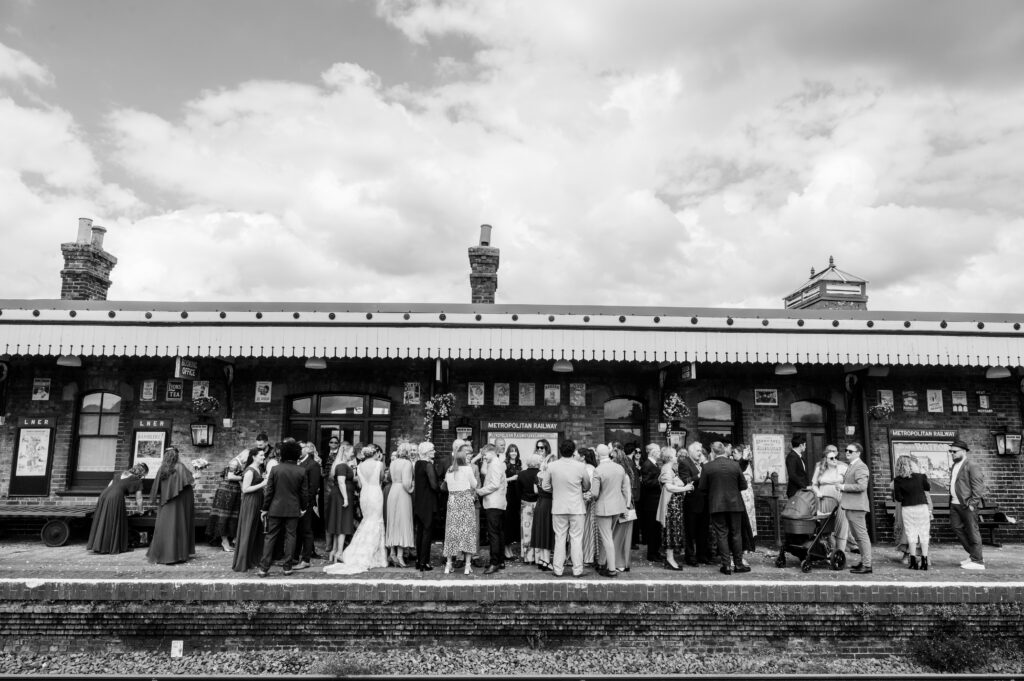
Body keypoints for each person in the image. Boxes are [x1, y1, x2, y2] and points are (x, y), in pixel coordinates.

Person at [324, 447, 388, 575]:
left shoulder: (359, 466)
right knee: (376, 521)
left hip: (364, 494)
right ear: (375, 454)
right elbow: (381, 479)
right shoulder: (379, 464)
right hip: (375, 493)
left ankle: (358, 549)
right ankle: (375, 554)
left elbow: (359, 484)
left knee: (367, 520)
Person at [258, 440, 308, 577]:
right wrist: (303, 508)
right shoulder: (301, 471)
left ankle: (264, 568)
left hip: (275, 508)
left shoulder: (275, 469)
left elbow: (269, 492)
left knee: (270, 537)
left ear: (283, 454)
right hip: (293, 509)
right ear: (297, 454)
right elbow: (304, 493)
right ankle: (287, 567)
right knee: (291, 537)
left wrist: (265, 508)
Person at [700, 441, 749, 575]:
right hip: (735, 504)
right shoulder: (735, 465)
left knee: (721, 534)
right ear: (723, 451)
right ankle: (738, 564)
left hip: (716, 504)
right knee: (736, 534)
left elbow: (702, 488)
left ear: (712, 452)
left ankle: (726, 565)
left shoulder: (708, 467)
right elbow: (744, 486)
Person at [543, 439, 591, 577]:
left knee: (560, 538)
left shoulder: (552, 466)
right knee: (576, 538)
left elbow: (545, 486)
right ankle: (577, 569)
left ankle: (557, 569)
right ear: (573, 451)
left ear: (560, 450)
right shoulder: (581, 466)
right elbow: (587, 486)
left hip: (559, 507)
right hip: (576, 507)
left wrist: (557, 490)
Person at [147, 447, 196, 565]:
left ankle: (161, 555)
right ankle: (177, 555)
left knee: (164, 528)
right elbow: (192, 483)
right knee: (178, 526)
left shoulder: (162, 468)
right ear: (177, 455)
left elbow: (156, 488)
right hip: (179, 504)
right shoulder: (180, 467)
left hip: (166, 503)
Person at [87, 463, 147, 554]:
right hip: (115, 497)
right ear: (142, 473)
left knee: (103, 520)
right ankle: (108, 547)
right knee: (113, 520)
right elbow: (139, 499)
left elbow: (109, 485)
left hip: (104, 495)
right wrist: (140, 510)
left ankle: (98, 545)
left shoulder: (119, 475)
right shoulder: (137, 480)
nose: (143, 477)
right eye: (144, 475)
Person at [948, 439, 986, 570]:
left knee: (972, 531)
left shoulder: (972, 465)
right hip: (954, 504)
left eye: (954, 451)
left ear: (963, 451)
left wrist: (972, 503)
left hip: (967, 504)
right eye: (950, 451)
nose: (952, 453)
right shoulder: (954, 465)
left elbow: (978, 487)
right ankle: (974, 555)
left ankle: (978, 561)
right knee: (956, 527)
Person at [836, 442, 872, 575]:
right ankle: (864, 561)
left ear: (858, 453)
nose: (847, 453)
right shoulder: (852, 466)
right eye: (846, 450)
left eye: (850, 451)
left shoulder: (860, 466)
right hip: (851, 506)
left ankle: (867, 565)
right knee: (858, 537)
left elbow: (862, 486)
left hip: (857, 507)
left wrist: (843, 487)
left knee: (861, 536)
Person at [593, 444, 629, 577]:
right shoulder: (619, 467)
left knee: (607, 538)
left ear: (597, 455)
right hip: (617, 506)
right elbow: (624, 488)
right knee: (608, 536)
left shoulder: (598, 470)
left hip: (604, 507)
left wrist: (589, 494)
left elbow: (595, 493)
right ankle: (602, 562)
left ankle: (611, 568)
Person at [442, 447, 479, 575]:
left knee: (451, 533)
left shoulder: (449, 470)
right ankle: (467, 566)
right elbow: (474, 484)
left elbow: (446, 485)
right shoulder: (468, 469)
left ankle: (448, 565)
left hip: (452, 502)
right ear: (464, 458)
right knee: (467, 532)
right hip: (465, 502)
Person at [656, 446, 693, 571]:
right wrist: (685, 488)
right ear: (670, 457)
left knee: (673, 530)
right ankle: (669, 559)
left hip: (675, 504)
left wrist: (684, 485)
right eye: (675, 454)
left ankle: (670, 558)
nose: (677, 456)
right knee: (670, 531)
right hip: (671, 505)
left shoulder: (670, 468)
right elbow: (668, 487)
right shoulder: (666, 468)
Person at [893, 454, 932, 570]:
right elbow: (927, 488)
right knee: (924, 533)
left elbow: (899, 498)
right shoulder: (921, 476)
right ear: (911, 465)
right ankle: (924, 561)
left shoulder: (897, 480)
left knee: (911, 534)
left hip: (908, 508)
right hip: (922, 507)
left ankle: (913, 561)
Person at [232, 448, 268, 572]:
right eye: (261, 455)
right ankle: (243, 561)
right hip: (251, 502)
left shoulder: (259, 469)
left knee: (256, 530)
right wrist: (263, 483)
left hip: (258, 500)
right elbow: (245, 489)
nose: (263, 457)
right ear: (253, 457)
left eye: (264, 455)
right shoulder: (250, 471)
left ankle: (253, 559)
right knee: (248, 529)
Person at [811, 444, 849, 556]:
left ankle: (840, 553)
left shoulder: (843, 467)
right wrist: (818, 493)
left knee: (842, 524)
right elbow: (814, 484)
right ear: (826, 458)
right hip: (825, 499)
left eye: (835, 456)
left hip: (841, 498)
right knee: (827, 525)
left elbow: (849, 482)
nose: (834, 459)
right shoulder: (820, 467)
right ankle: (828, 551)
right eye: (831, 457)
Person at [291, 441, 323, 570]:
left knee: (306, 530)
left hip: (306, 503)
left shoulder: (313, 465)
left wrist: (305, 505)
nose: (298, 450)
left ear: (307, 449)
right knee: (296, 529)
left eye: (301, 448)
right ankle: (294, 556)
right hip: (294, 502)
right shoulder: (296, 462)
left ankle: (306, 559)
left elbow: (313, 487)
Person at [476, 443, 507, 574]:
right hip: (498, 503)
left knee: (493, 534)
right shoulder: (497, 464)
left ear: (491, 452)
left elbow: (494, 485)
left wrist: (480, 491)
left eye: (485, 455)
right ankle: (500, 561)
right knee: (499, 533)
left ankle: (494, 563)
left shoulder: (494, 465)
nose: (484, 458)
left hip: (493, 503)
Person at [678, 442, 710, 566]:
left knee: (703, 531)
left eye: (700, 451)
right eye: (697, 451)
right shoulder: (685, 463)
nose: (700, 453)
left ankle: (702, 555)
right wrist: (698, 476)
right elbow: (684, 480)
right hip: (692, 503)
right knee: (690, 532)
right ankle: (690, 557)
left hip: (704, 502)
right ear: (690, 451)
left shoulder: (702, 464)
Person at [385, 443, 415, 568]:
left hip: (393, 491)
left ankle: (392, 552)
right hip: (402, 493)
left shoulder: (393, 463)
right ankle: (399, 555)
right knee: (402, 522)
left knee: (393, 522)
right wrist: (413, 486)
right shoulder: (407, 463)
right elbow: (406, 484)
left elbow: (390, 478)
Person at [325, 443, 356, 562]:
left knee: (337, 523)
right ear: (345, 452)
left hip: (338, 495)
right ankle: (339, 553)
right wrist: (346, 498)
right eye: (351, 452)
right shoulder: (342, 465)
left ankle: (334, 551)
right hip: (341, 496)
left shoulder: (340, 465)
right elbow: (341, 482)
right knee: (342, 524)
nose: (352, 454)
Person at [412, 441, 439, 571]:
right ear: (426, 452)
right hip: (428, 502)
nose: (434, 452)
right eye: (432, 450)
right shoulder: (428, 465)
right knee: (427, 533)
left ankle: (419, 560)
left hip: (419, 502)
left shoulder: (417, 464)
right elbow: (434, 485)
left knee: (420, 532)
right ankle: (424, 562)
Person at [610, 448, 637, 573]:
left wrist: (625, 508)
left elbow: (628, 492)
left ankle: (620, 563)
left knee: (620, 537)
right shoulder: (619, 472)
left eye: (612, 457)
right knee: (617, 536)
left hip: (623, 508)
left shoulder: (624, 474)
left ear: (618, 459)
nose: (610, 459)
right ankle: (617, 562)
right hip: (618, 506)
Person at [731, 444, 758, 557]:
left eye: (735, 453)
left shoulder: (743, 465)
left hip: (745, 494)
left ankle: (746, 545)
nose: (733, 455)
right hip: (744, 493)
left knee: (746, 519)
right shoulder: (738, 464)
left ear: (742, 454)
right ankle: (744, 545)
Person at [638, 443, 663, 561]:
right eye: (658, 452)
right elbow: (646, 483)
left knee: (656, 528)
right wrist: (659, 481)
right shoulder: (647, 465)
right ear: (653, 452)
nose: (660, 454)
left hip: (655, 501)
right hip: (651, 502)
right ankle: (652, 554)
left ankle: (655, 552)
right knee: (653, 529)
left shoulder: (653, 464)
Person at [517, 452, 541, 564]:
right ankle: (538, 557)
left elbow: (518, 492)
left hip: (525, 503)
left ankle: (528, 557)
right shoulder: (541, 474)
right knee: (538, 530)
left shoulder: (521, 474)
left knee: (526, 531)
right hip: (539, 503)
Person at [579, 447, 599, 567]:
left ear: (583, 457)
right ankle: (589, 555)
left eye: (577, 454)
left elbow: (589, 487)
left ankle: (587, 556)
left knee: (586, 529)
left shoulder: (587, 469)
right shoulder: (593, 468)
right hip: (589, 500)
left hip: (586, 501)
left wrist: (585, 495)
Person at [503, 444, 523, 560]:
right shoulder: (505, 464)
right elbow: (501, 479)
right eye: (511, 451)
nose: (513, 453)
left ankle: (510, 549)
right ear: (508, 453)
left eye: (515, 451)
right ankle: (506, 550)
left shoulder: (519, 464)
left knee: (514, 523)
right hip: (508, 495)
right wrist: (512, 478)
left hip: (517, 496)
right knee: (507, 523)